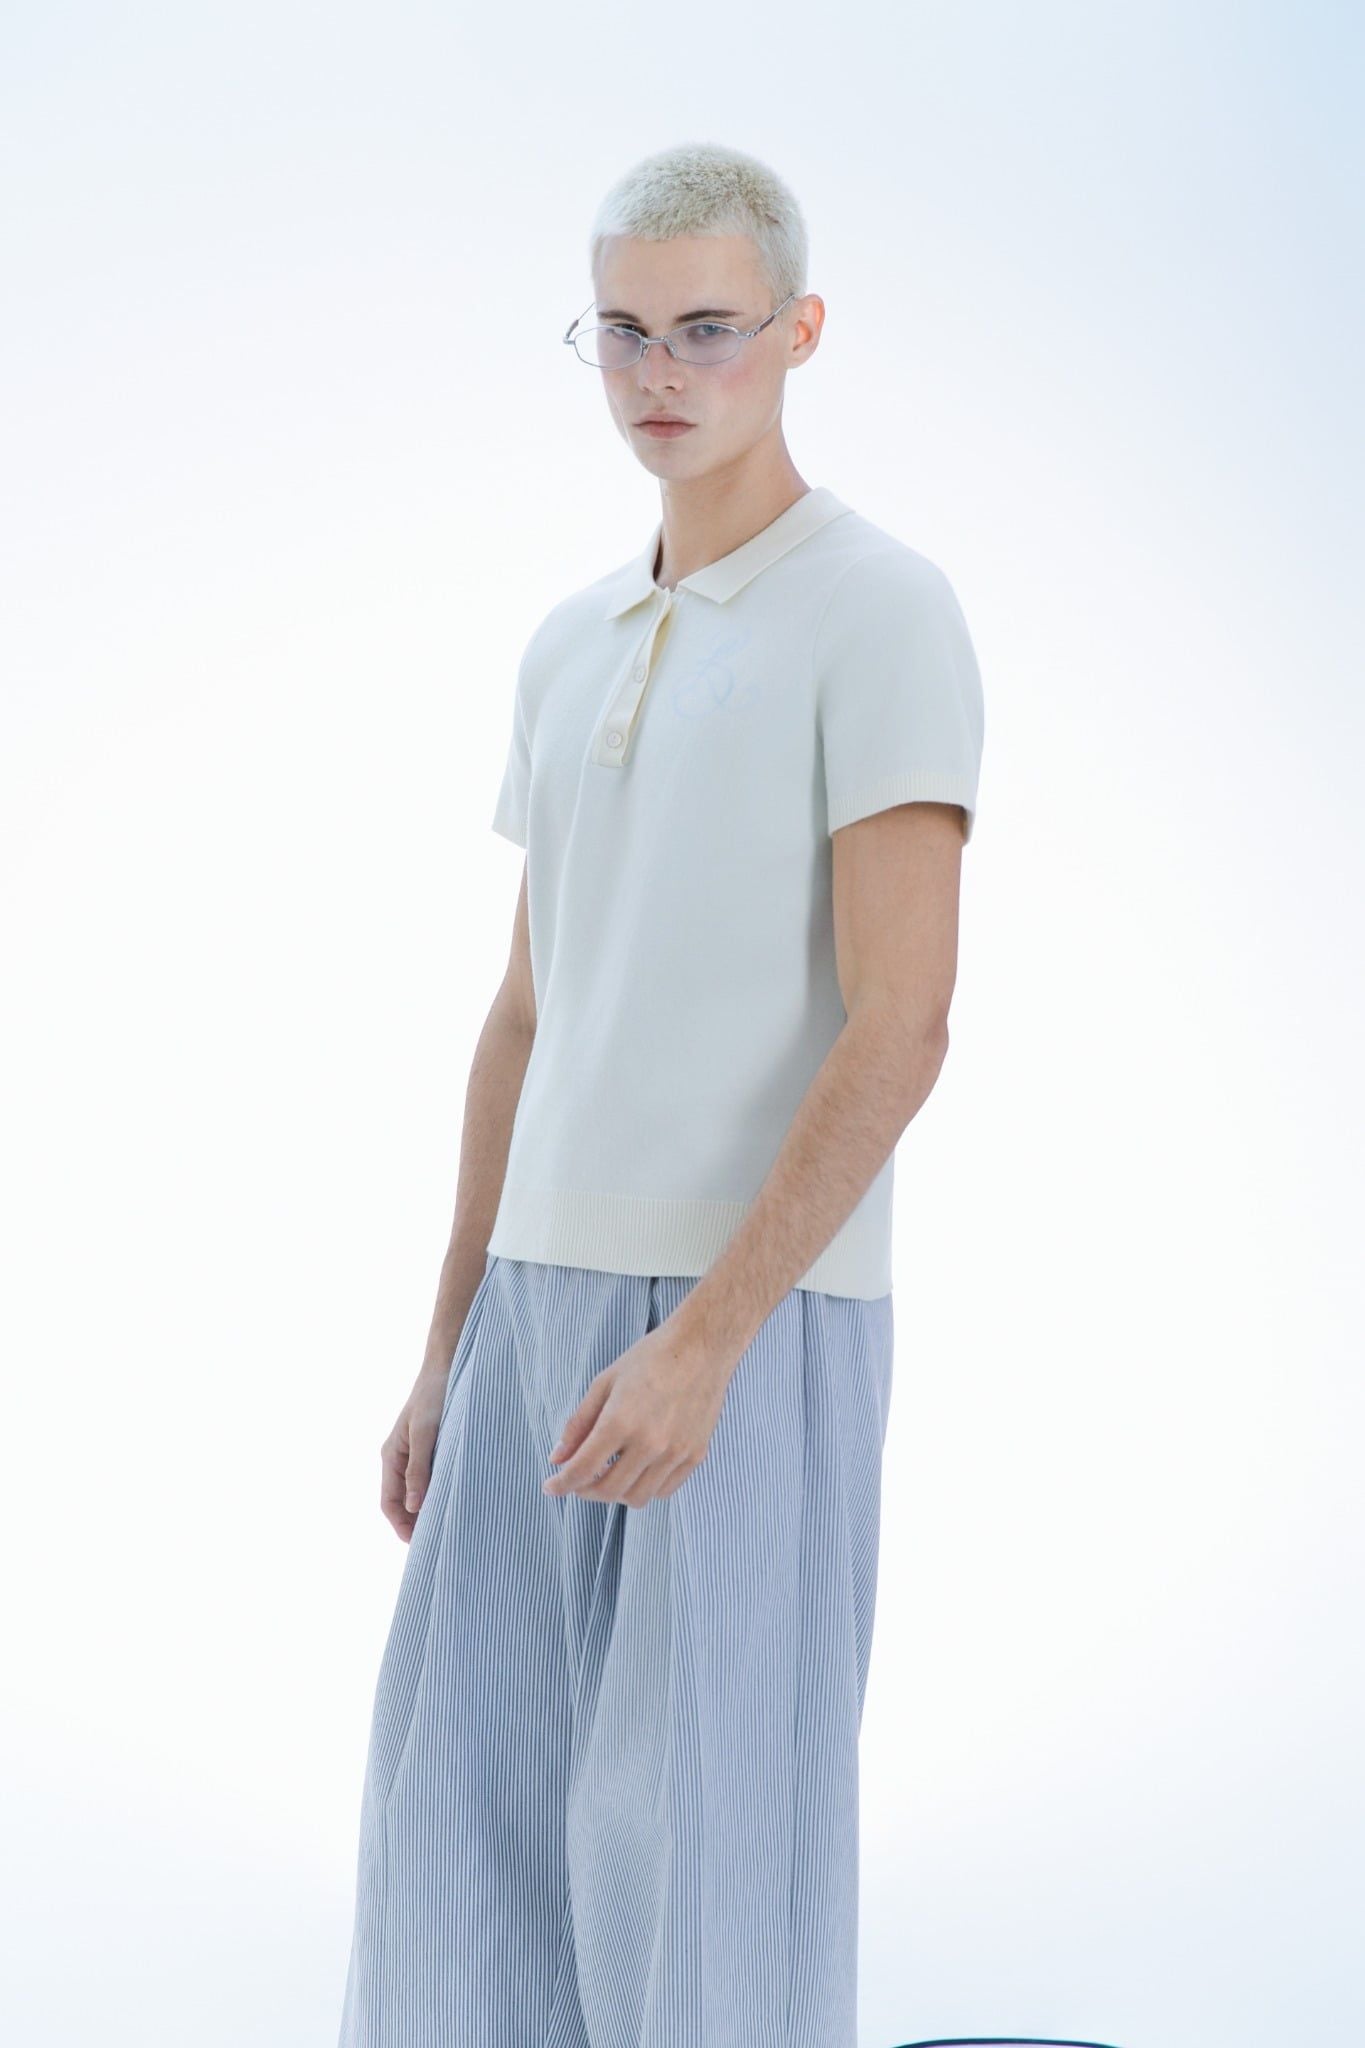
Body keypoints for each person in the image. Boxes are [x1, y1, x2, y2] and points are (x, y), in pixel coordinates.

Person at [337, 139, 985, 2048]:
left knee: (697, 1853)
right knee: (459, 1837)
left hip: (747, 1316)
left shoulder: (877, 611)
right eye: (620, 331)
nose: (657, 373)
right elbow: (525, 1015)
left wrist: (706, 1342)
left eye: (706, 328)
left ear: (797, 330)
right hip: (531, 1310)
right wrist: (446, 1346)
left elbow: (903, 1024)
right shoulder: (569, 642)